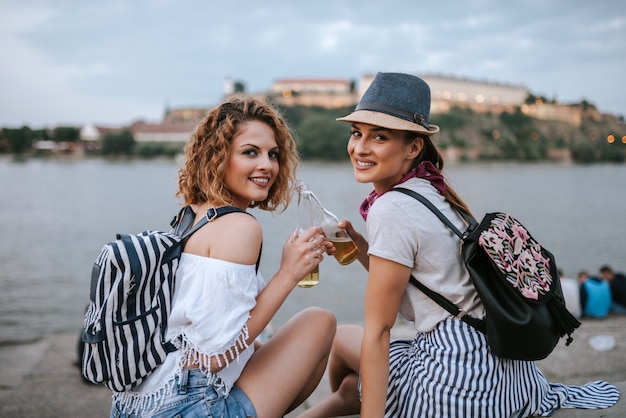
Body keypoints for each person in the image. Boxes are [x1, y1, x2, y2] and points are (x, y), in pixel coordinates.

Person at [300, 72, 619, 417]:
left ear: (413, 147)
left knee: (345, 339)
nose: (360, 148)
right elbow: (425, 279)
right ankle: (351, 398)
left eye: (379, 137)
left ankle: (361, 404)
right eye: (356, 133)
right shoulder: (433, 192)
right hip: (507, 378)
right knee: (353, 384)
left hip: (458, 384)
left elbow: (378, 332)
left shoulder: (390, 208)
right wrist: (361, 244)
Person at [110, 96, 337, 417]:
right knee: (319, 322)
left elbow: (207, 332)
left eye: (273, 154)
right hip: (189, 405)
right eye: (250, 152)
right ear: (218, 157)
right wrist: (289, 274)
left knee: (272, 343)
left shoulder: (191, 215)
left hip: (135, 403)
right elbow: (218, 353)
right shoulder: (240, 227)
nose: (267, 166)